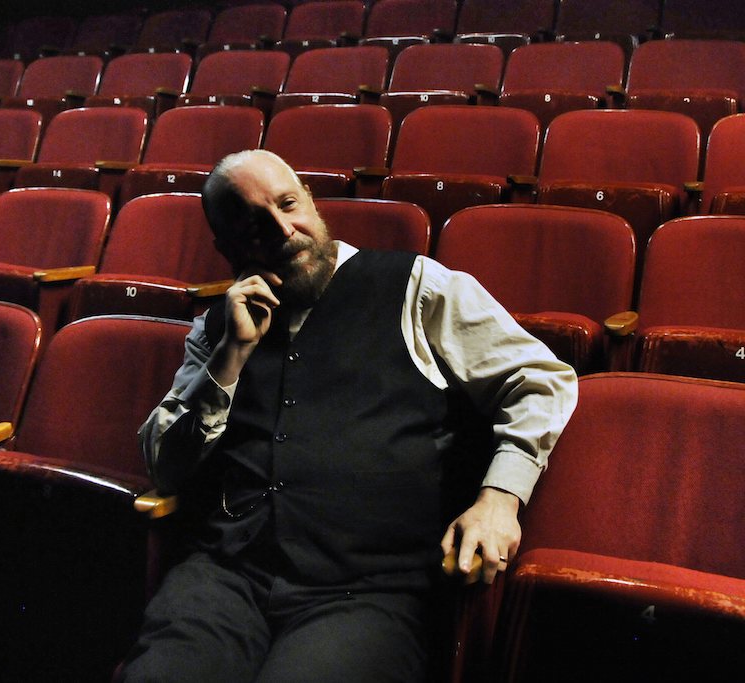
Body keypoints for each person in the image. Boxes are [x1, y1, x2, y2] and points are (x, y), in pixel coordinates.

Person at [120, 149, 578, 683]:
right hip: (225, 578)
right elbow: (165, 468)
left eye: (288, 204)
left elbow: (541, 380)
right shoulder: (216, 329)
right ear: (227, 249)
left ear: (311, 203)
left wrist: (500, 499)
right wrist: (230, 357)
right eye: (251, 225)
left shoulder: (418, 287)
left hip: (368, 590)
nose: (282, 230)